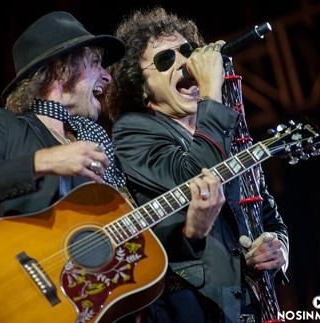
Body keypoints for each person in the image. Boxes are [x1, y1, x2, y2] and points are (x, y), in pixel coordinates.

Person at [0, 12, 224, 321]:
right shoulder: (7, 125)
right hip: (32, 298)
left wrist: (191, 234)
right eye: (95, 64)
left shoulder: (97, 139)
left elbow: (135, 239)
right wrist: (43, 161)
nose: (108, 76)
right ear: (62, 69)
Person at [105, 7, 289, 323]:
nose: (184, 63)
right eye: (165, 60)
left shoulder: (224, 130)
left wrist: (280, 248)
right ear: (141, 86)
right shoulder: (133, 131)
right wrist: (211, 95)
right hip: (190, 308)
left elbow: (267, 215)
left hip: (250, 305)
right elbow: (194, 177)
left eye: (187, 51)